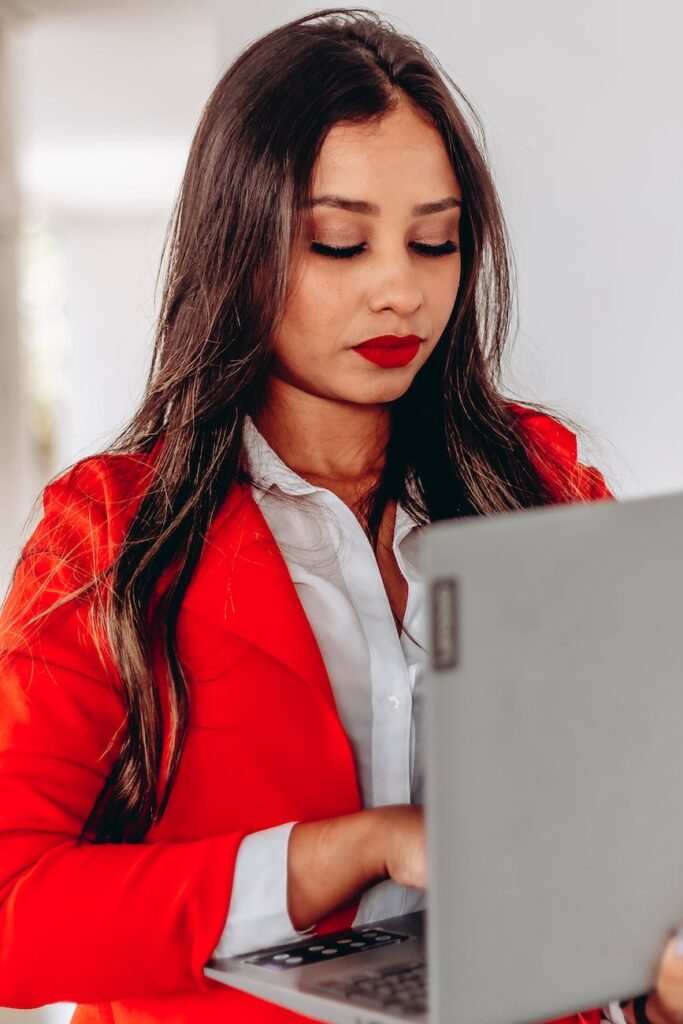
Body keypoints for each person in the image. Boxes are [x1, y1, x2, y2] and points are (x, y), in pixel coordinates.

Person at [0, 7, 681, 1024]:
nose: (398, 289)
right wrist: (354, 845)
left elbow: (615, 823)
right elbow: (16, 917)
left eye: (434, 241)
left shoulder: (537, 481)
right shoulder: (112, 533)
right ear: (239, 243)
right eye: (337, 242)